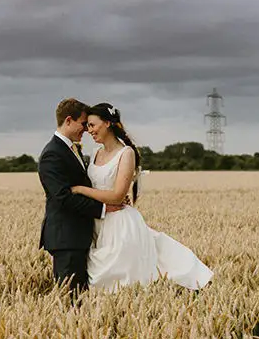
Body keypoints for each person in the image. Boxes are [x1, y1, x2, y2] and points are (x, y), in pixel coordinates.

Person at [70, 102, 214, 291]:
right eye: (87, 126)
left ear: (107, 123)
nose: (89, 130)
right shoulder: (96, 153)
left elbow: (117, 195)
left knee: (119, 280)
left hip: (118, 224)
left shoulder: (126, 153)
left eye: (92, 125)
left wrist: (80, 190)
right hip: (97, 221)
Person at [37, 98, 125, 296]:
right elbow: (63, 197)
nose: (86, 130)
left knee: (80, 295)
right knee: (70, 297)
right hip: (67, 237)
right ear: (69, 120)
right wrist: (103, 208)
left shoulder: (70, 149)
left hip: (80, 235)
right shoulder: (53, 153)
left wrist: (110, 196)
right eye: (83, 124)